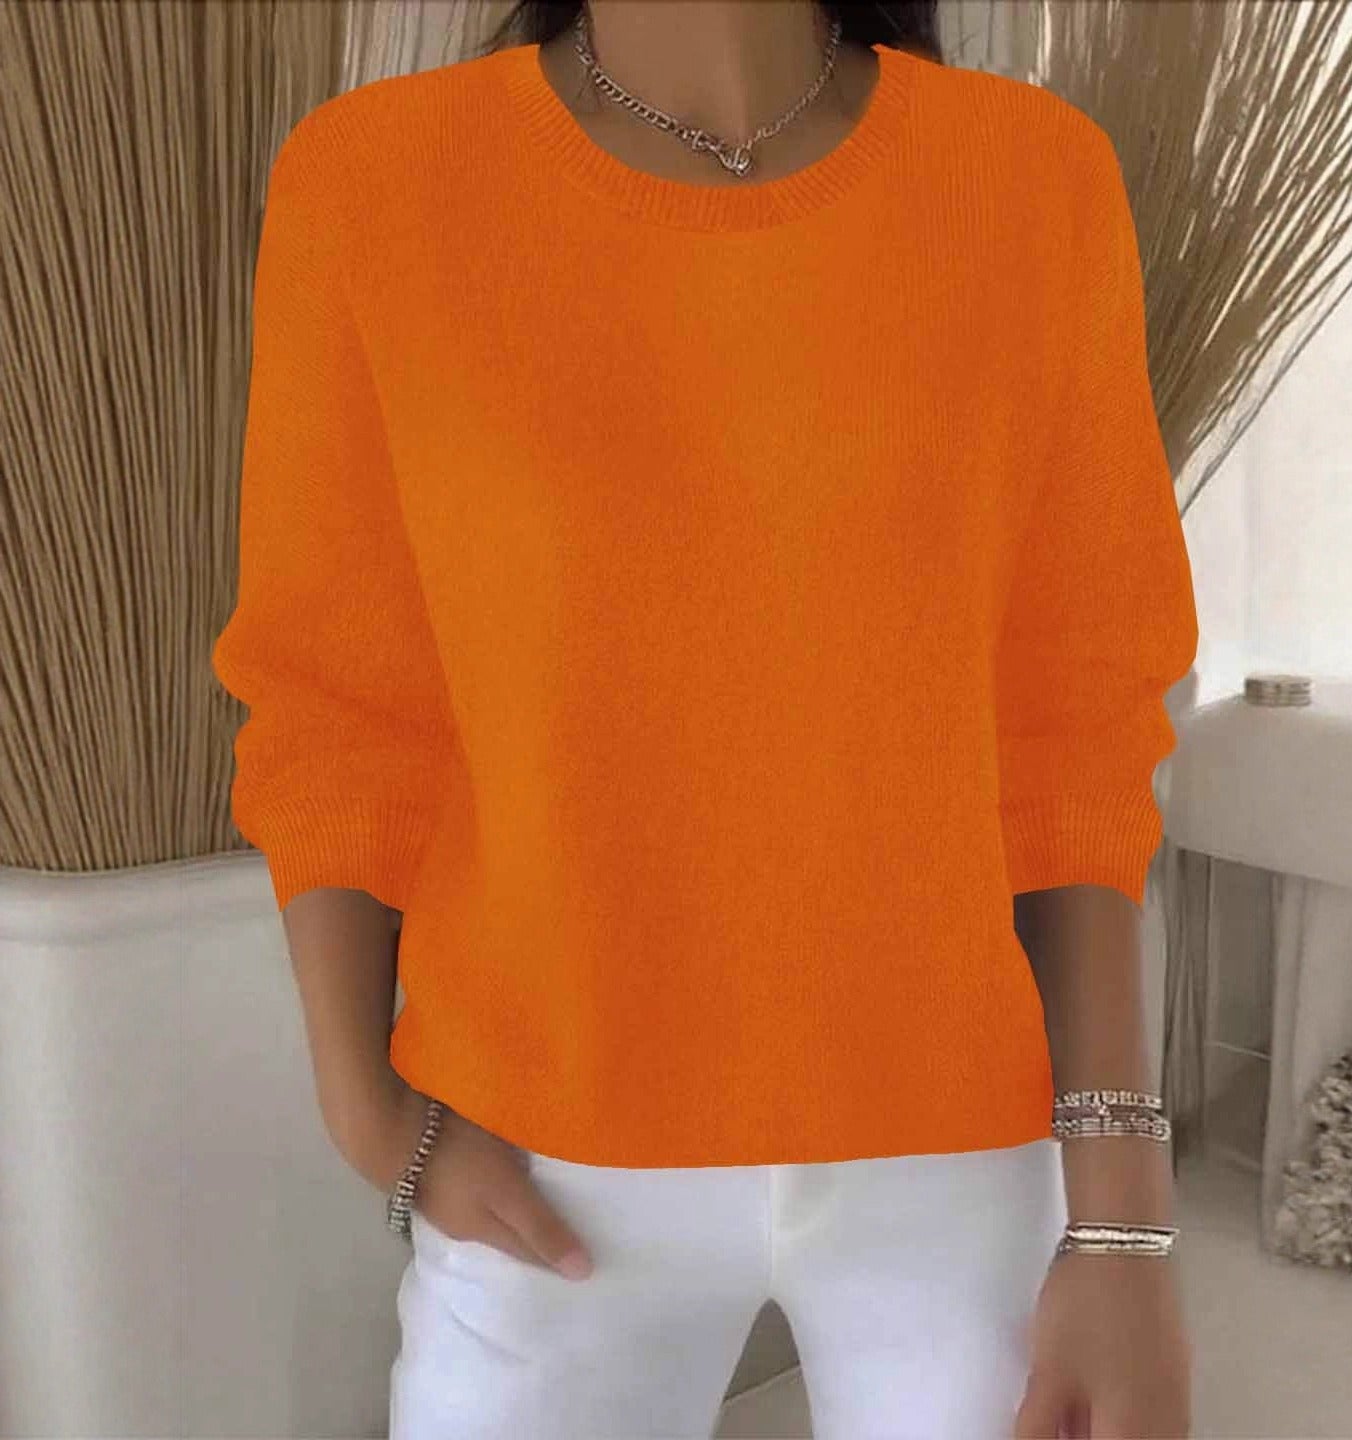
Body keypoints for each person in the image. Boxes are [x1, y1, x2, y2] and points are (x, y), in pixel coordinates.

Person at [210, 2, 1197, 1436]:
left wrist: (1121, 1227)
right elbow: (336, 702)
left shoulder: (1028, 179)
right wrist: (369, 1112)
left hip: (960, 1157)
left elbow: (1075, 729)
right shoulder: (376, 183)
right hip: (541, 1168)